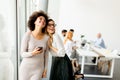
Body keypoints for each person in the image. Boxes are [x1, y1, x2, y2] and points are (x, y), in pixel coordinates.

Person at [19, 10, 49, 80]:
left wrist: (45, 70)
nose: (43, 20)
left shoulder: (46, 38)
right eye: (40, 19)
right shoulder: (27, 35)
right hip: (25, 68)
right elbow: (22, 54)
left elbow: (46, 56)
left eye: (44, 20)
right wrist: (33, 53)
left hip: (38, 69)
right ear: (34, 22)